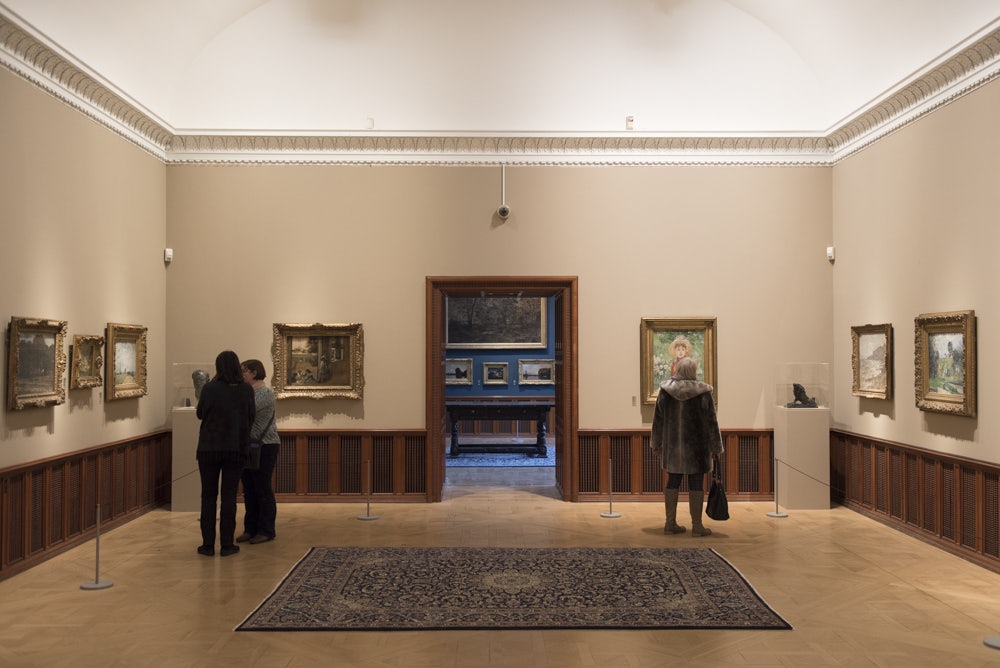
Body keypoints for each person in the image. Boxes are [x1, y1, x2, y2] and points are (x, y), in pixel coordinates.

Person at [650, 356, 724, 537]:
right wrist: (716, 447)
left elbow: (657, 421)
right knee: (696, 483)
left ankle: (670, 523)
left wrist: (656, 443)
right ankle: (697, 527)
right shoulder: (703, 392)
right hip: (697, 448)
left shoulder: (665, 390)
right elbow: (712, 422)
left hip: (673, 447)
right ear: (693, 371)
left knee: (673, 481)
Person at [195, 350, 255, 557]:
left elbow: (200, 413)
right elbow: (251, 417)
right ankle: (227, 545)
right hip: (235, 449)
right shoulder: (246, 389)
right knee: (229, 497)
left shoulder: (210, 388)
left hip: (209, 449)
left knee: (208, 496)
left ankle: (208, 545)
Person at [237, 358, 280, 545]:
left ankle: (266, 529)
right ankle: (250, 528)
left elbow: (246, 411)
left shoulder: (265, 393)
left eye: (244, 372)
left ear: (254, 373)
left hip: (266, 445)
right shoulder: (247, 392)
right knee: (249, 488)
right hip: (250, 445)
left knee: (262, 488)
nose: (241, 375)